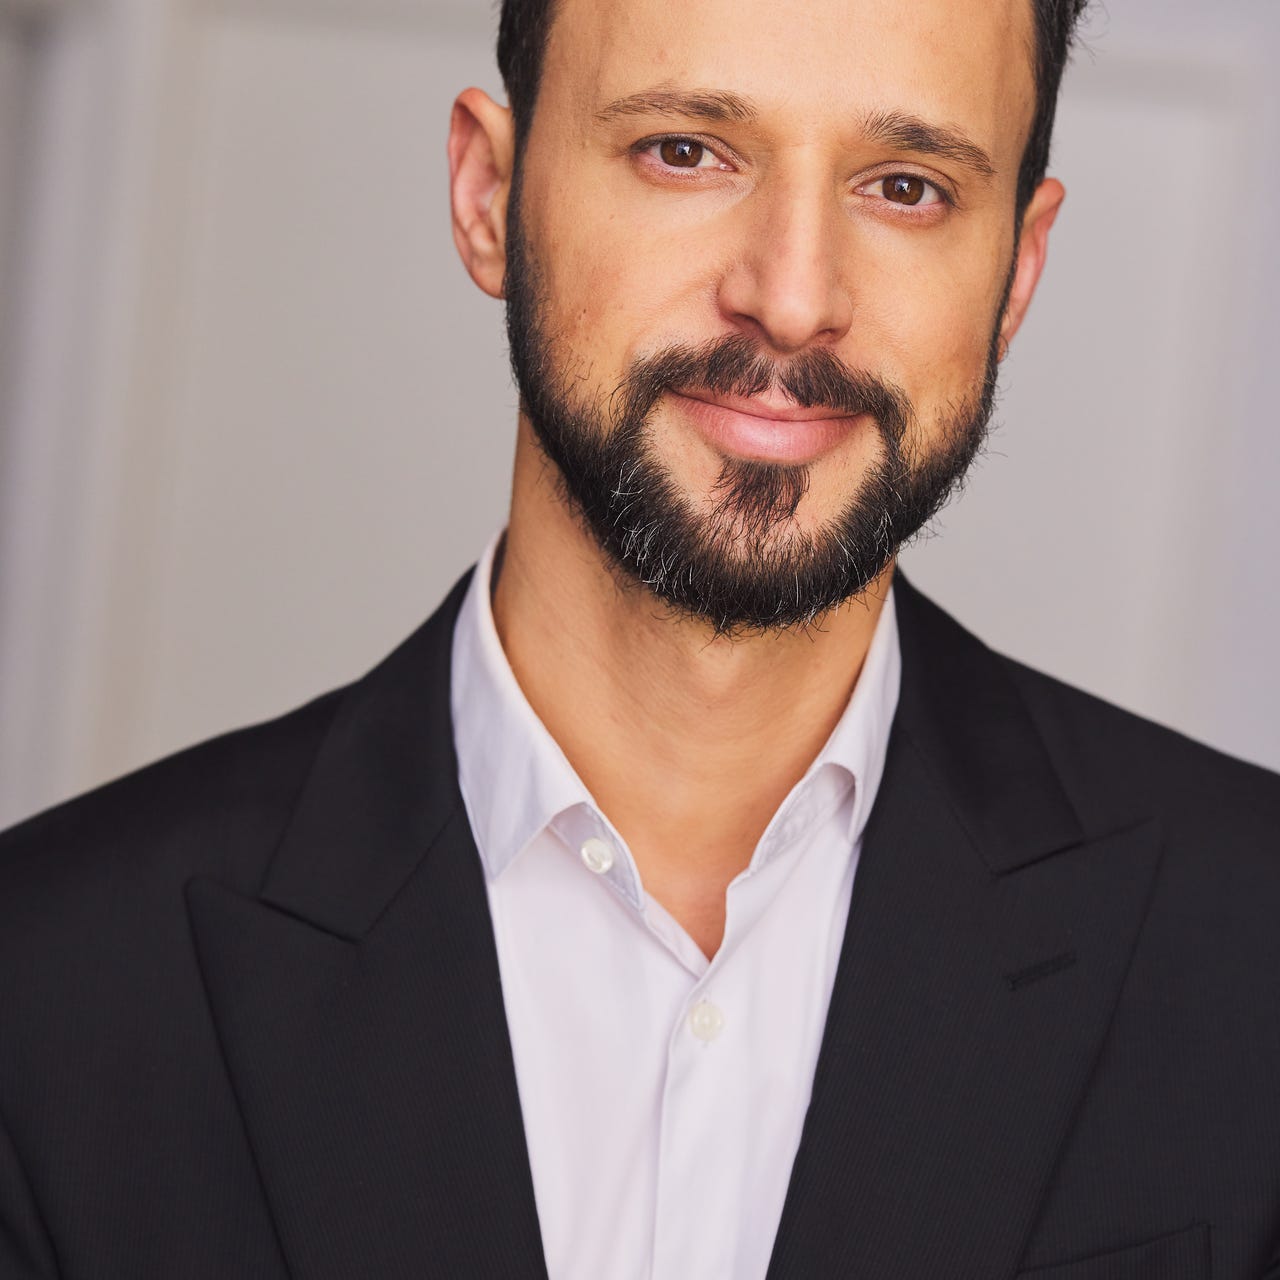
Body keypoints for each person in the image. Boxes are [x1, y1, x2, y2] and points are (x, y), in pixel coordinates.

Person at [1, 0, 1278, 1274]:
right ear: (488, 194)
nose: (791, 298)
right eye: (684, 151)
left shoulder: (1252, 948)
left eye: (905, 186)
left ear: (1018, 270)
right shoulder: (48, 985)